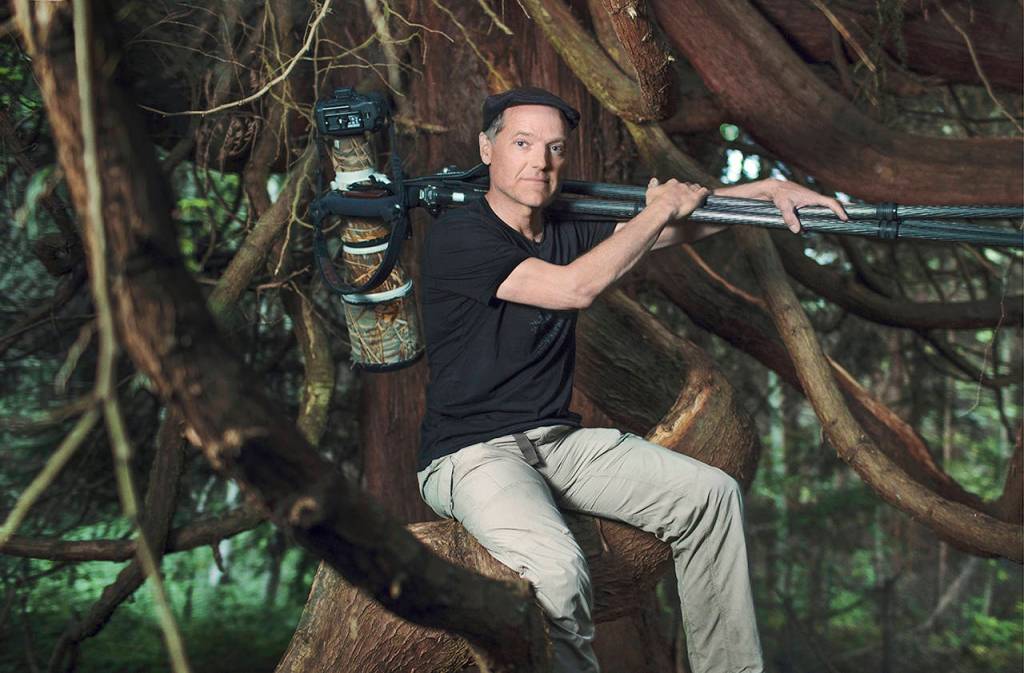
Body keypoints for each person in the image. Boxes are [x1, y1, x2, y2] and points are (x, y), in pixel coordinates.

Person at [416, 86, 847, 673]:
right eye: (522, 143)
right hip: (472, 455)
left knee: (710, 496)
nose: (539, 161)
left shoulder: (566, 226)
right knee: (558, 573)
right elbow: (574, 288)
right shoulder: (460, 236)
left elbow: (667, 232)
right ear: (488, 150)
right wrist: (656, 210)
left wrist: (764, 193)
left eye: (554, 147)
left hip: (556, 444)